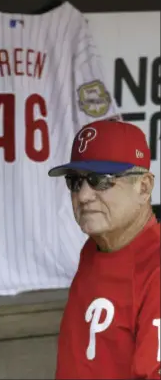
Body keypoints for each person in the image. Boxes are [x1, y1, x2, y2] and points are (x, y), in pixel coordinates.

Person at [48, 119, 160, 380]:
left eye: (101, 180)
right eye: (75, 181)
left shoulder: (156, 269)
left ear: (143, 187)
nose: (83, 195)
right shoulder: (95, 247)